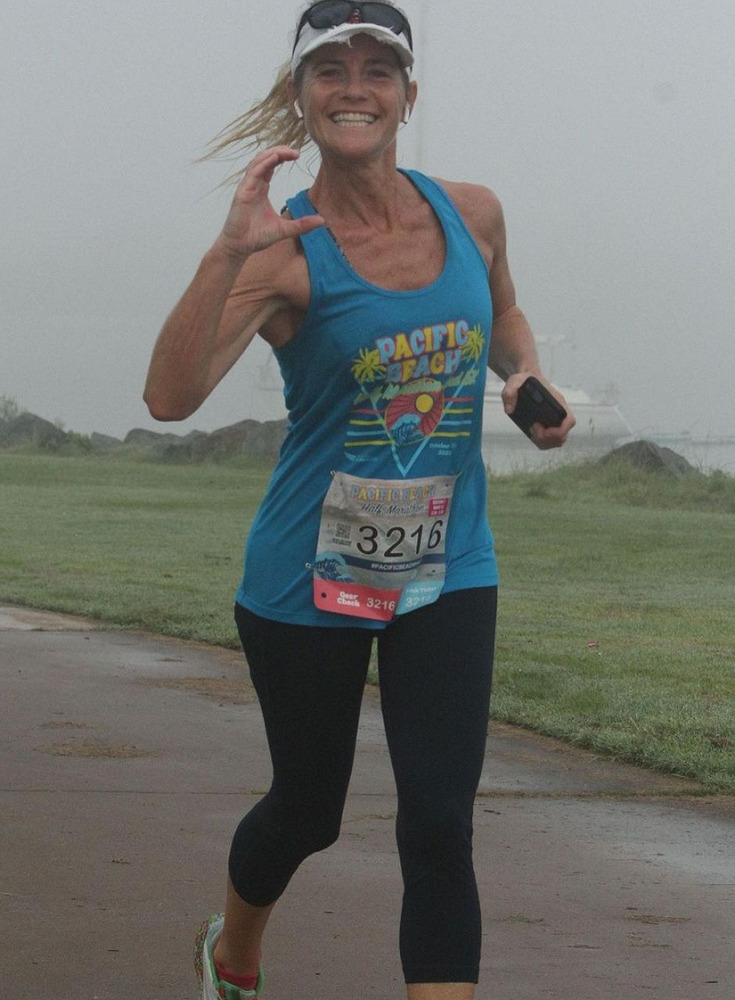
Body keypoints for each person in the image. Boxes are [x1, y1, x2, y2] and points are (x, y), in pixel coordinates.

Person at [144, 4, 575, 998]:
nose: (354, 85)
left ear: (407, 96)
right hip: (307, 575)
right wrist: (224, 252)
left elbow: (502, 310)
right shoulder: (282, 252)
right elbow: (169, 399)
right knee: (309, 810)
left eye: (378, 69)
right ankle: (234, 951)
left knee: (437, 822)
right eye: (329, 68)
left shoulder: (472, 211)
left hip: (448, 565)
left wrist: (525, 379)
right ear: (299, 98)